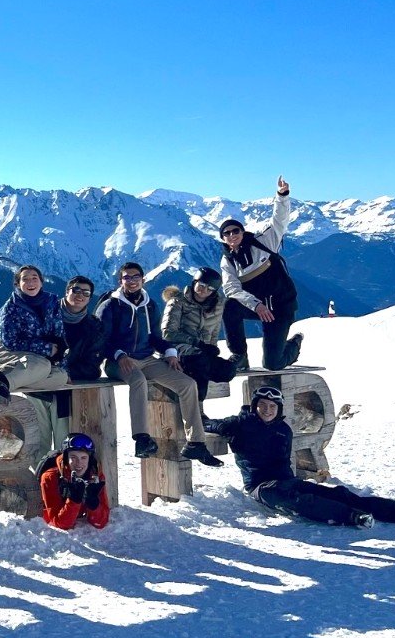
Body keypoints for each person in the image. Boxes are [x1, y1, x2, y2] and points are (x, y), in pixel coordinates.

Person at [211, 386, 395, 528]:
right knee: (300, 501)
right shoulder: (240, 424)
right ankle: (351, 516)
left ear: (278, 409)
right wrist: (210, 427)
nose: (267, 410)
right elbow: (208, 424)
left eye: (272, 406)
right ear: (254, 405)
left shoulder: (283, 429)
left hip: (288, 481)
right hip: (261, 486)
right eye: (262, 405)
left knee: (340, 494)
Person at [96, 262, 221, 467]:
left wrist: (170, 352)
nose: (132, 281)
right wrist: (119, 355)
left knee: (188, 384)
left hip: (146, 359)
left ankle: (196, 442)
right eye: (127, 277)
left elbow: (155, 337)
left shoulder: (150, 305)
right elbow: (100, 340)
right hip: (117, 361)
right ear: (121, 281)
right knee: (138, 381)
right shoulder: (110, 306)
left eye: (136, 277)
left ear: (143, 279)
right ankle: (142, 439)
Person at [220, 176, 303, 370]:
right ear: (223, 239)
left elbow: (279, 222)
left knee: (272, 364)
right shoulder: (227, 260)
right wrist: (256, 306)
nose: (232, 235)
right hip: (258, 307)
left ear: (242, 231)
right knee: (229, 306)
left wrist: (282, 196)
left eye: (235, 230)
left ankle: (294, 345)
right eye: (227, 233)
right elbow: (231, 289)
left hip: (282, 307)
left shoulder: (264, 242)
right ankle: (239, 355)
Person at [0, 266, 72, 446]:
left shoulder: (52, 302)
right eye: (25, 279)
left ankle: (0, 382)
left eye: (34, 278)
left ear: (41, 281)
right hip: (13, 354)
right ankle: (3, 382)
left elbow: (59, 337)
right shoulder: (10, 308)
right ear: (18, 284)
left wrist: (61, 361)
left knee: (60, 377)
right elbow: (11, 342)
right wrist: (46, 348)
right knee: (42, 367)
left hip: (39, 359)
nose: (30, 282)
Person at [161, 266, 241, 415]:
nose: (204, 290)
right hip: (176, 351)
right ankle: (197, 412)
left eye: (210, 288)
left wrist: (211, 348)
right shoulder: (178, 301)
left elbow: (213, 332)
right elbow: (168, 333)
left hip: (201, 352)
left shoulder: (217, 305)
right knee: (200, 363)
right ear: (194, 282)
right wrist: (197, 343)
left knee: (227, 371)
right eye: (202, 285)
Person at [39, 432, 110, 531]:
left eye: (83, 458)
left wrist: (93, 503)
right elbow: (60, 524)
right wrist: (74, 500)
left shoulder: (95, 475)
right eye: (73, 457)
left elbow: (100, 522)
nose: (79, 463)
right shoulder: (50, 477)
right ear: (66, 459)